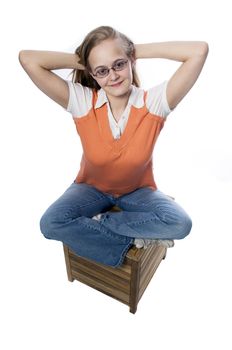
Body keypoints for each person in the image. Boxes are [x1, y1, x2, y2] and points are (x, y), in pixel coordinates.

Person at [18, 26, 209, 267]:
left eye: (119, 64)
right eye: (102, 70)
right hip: (90, 189)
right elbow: (28, 59)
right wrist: (88, 60)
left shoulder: (155, 103)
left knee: (180, 223)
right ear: (93, 73)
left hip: (137, 191)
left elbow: (199, 51)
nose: (113, 76)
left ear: (131, 62)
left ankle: (103, 223)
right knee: (51, 222)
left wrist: (132, 50)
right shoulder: (83, 101)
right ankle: (134, 239)